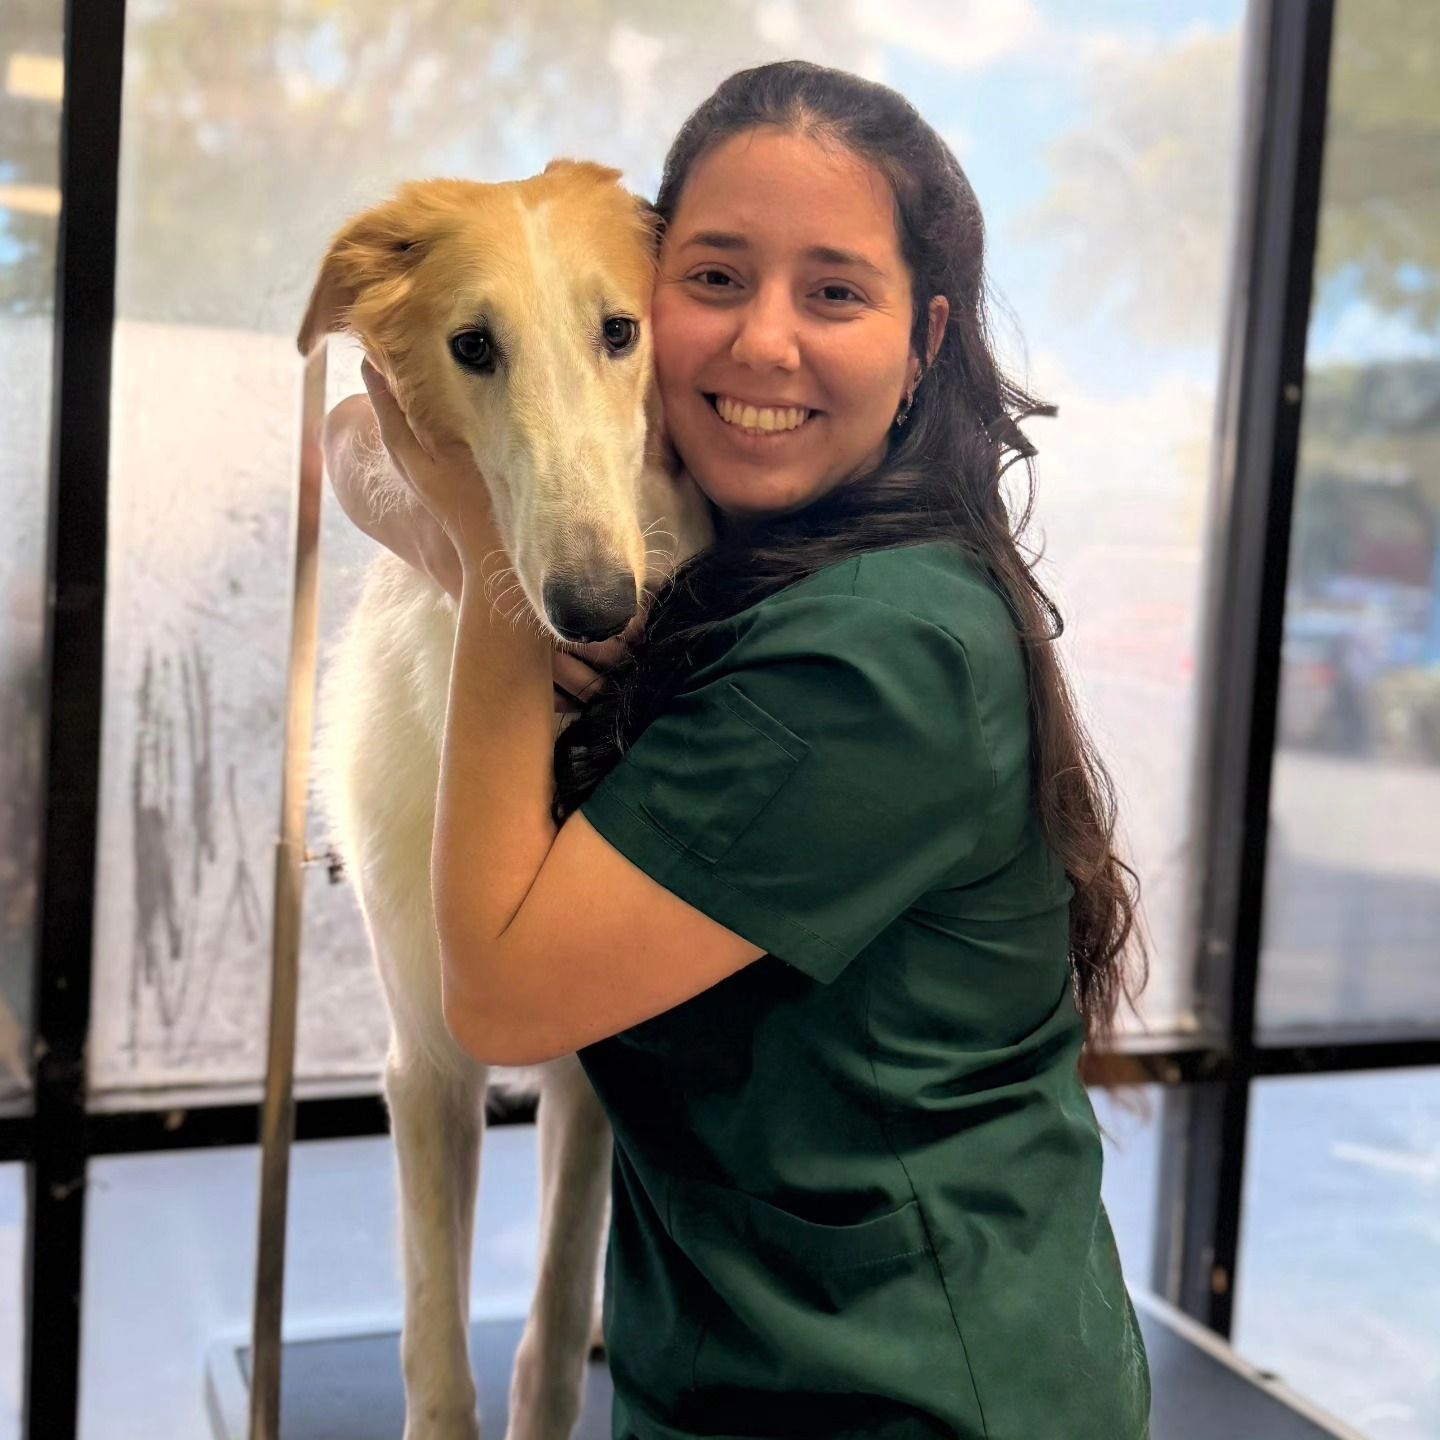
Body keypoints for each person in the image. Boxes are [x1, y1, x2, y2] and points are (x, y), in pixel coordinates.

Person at [325, 59, 1151, 1440]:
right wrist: (447, 515)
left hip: (898, 1398)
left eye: (835, 293)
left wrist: (485, 567)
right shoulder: (752, 546)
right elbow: (366, 423)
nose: (764, 343)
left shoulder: (873, 663)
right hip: (733, 1365)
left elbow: (507, 1004)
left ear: (924, 340)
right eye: (715, 278)